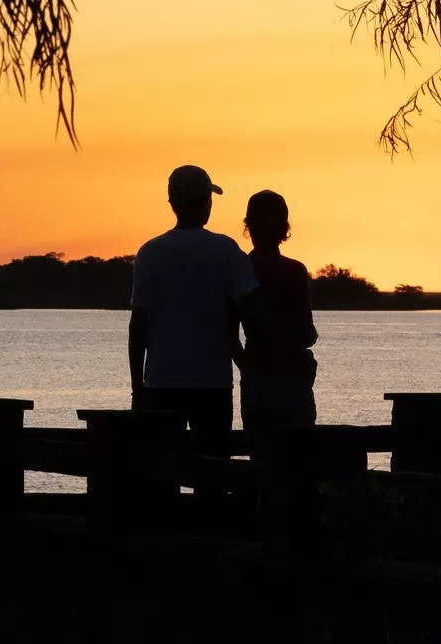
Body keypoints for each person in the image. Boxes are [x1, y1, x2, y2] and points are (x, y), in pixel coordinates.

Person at [128, 164, 269, 444]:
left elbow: (138, 330)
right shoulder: (226, 251)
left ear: (172, 203)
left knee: (162, 471)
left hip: (161, 384)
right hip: (212, 385)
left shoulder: (150, 253)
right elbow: (253, 314)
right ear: (206, 202)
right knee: (214, 473)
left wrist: (137, 389)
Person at [235, 189, 318, 433]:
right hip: (292, 376)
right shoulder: (294, 271)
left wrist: (249, 368)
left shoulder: (240, 269)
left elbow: (229, 335)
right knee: (298, 452)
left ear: (249, 226)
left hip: (257, 379)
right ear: (284, 227)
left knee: (261, 454)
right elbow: (306, 333)